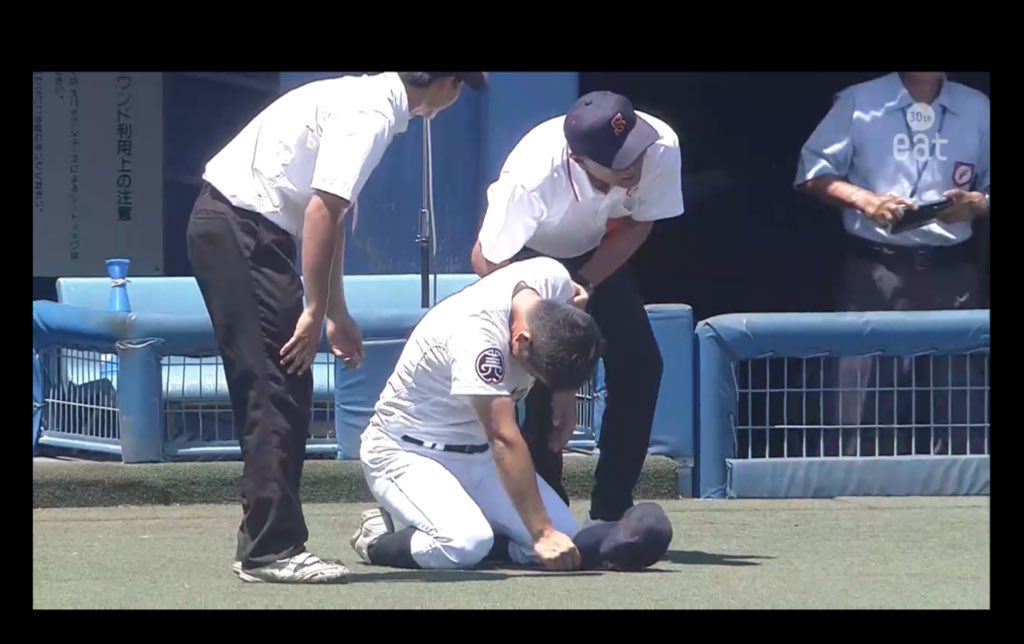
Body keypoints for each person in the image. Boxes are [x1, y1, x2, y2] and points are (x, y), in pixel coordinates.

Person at [186, 71, 488, 584]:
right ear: (446, 84)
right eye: (461, 84)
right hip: (243, 230)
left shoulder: (366, 99)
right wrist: (314, 309)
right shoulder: (371, 114)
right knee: (277, 385)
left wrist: (333, 311)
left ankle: (265, 545)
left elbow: (330, 214)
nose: (457, 96)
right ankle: (271, 551)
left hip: (240, 228)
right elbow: (321, 213)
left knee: (279, 384)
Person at [469, 91, 685, 524]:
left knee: (642, 365)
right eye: (621, 161)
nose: (636, 165)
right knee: (545, 386)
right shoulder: (531, 177)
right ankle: (546, 518)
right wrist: (548, 323)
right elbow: (487, 260)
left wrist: (583, 284)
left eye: (636, 148)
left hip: (596, 256)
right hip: (525, 261)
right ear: (580, 160)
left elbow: (640, 222)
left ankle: (610, 511)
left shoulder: (660, 144)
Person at [349, 257, 602, 571]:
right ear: (522, 340)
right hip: (407, 452)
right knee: (464, 544)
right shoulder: (478, 338)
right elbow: (503, 439)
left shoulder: (553, 279)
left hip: (478, 457)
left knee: (567, 536)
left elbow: (571, 316)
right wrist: (541, 532)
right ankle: (376, 540)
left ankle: (484, 533)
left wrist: (565, 393)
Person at [795, 71, 990, 456]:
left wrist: (977, 203)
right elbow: (812, 174)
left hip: (952, 273)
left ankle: (960, 490)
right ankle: (858, 482)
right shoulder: (859, 101)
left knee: (960, 401)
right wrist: (866, 201)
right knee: (862, 401)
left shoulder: (977, 106)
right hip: (876, 271)